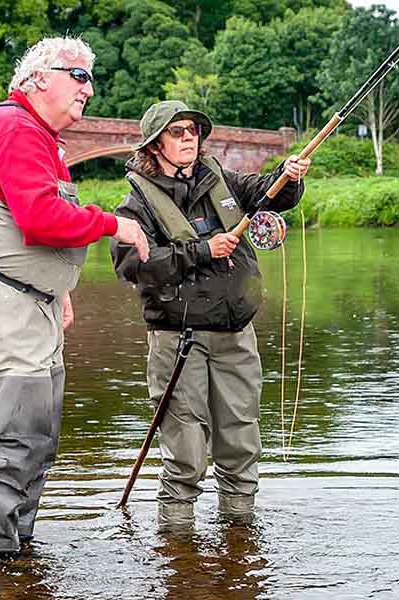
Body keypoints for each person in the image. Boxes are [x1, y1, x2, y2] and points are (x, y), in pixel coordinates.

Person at [0, 35, 149, 557]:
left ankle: (18, 554)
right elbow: (39, 217)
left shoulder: (33, 135)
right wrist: (114, 225)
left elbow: (19, 224)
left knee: (37, 434)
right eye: (78, 75)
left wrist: (58, 289)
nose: (88, 88)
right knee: (13, 435)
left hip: (27, 299)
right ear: (37, 79)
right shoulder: (13, 127)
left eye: (90, 79)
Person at [111, 100, 310, 528]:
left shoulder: (222, 179)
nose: (188, 138)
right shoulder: (135, 205)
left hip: (234, 333)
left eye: (192, 131)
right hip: (176, 340)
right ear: (155, 145)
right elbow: (132, 264)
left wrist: (288, 178)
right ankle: (178, 547)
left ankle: (240, 538)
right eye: (177, 132)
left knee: (240, 440)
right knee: (185, 449)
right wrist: (202, 251)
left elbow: (268, 193)